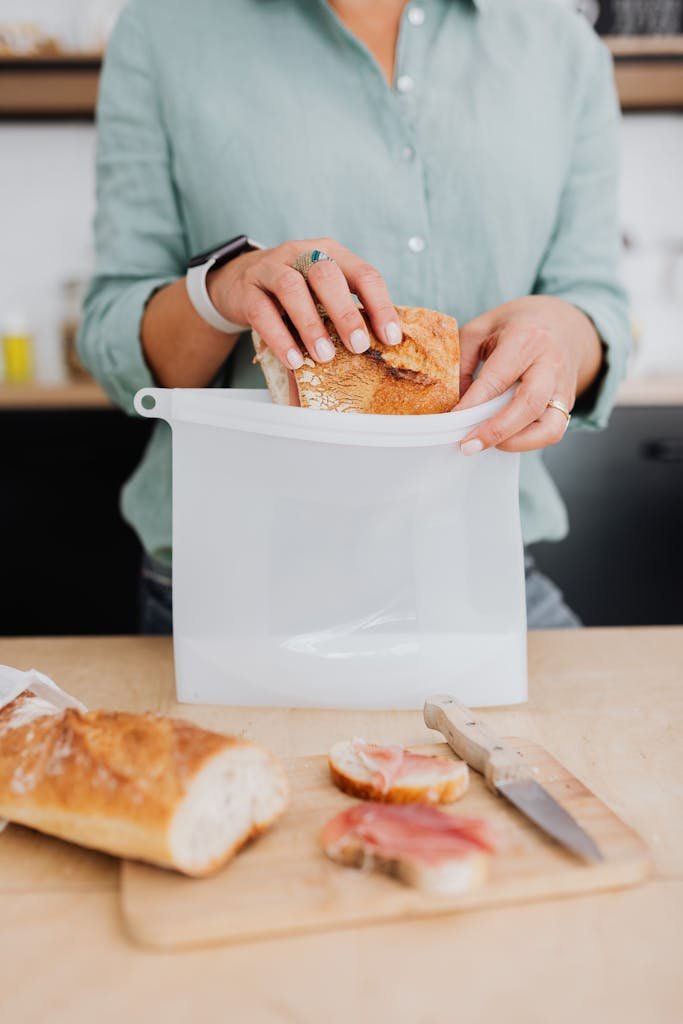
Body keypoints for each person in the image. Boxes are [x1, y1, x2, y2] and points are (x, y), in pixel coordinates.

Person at [78, 0, 630, 635]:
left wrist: (560, 332)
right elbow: (112, 330)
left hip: (482, 574)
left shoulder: (559, 43)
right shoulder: (166, 28)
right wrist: (219, 289)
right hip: (236, 590)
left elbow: (593, 300)